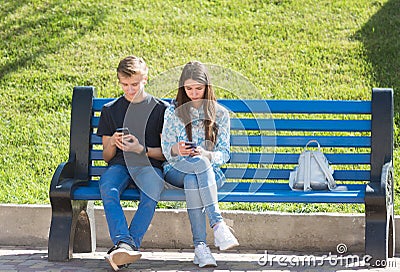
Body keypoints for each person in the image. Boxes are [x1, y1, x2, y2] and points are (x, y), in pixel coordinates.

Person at [161, 61, 239, 268]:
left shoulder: (220, 113)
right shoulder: (173, 112)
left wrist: (206, 154)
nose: (193, 93)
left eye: (198, 88)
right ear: (182, 88)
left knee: (195, 175)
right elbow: (165, 150)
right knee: (194, 169)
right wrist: (178, 149)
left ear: (207, 87)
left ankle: (201, 248)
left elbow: (225, 154)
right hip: (176, 169)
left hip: (210, 173)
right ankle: (218, 224)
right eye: (188, 89)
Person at [97, 55, 168, 271]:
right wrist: (113, 143)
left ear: (145, 79)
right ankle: (125, 243)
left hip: (148, 164)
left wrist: (140, 149)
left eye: (135, 84)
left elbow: (166, 154)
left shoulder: (161, 109)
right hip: (119, 164)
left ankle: (125, 246)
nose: (130, 89)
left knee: (152, 191)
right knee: (107, 187)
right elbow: (107, 157)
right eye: (125, 85)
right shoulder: (111, 110)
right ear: (119, 81)